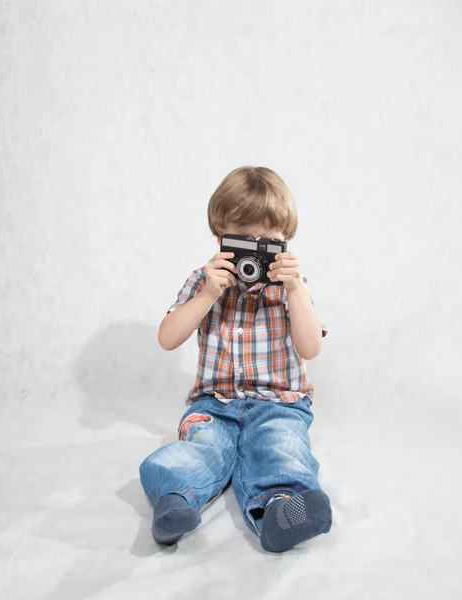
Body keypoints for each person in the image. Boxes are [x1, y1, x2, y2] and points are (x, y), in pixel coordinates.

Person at [139, 166, 332, 553]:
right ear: (219, 237)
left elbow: (311, 348)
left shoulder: (291, 288)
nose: (254, 257)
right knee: (203, 445)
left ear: (285, 243)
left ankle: (281, 512)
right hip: (215, 403)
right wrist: (208, 293)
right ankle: (174, 500)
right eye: (243, 242)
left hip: (280, 403)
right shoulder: (204, 281)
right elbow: (167, 338)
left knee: (280, 445)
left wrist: (294, 288)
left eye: (268, 244)